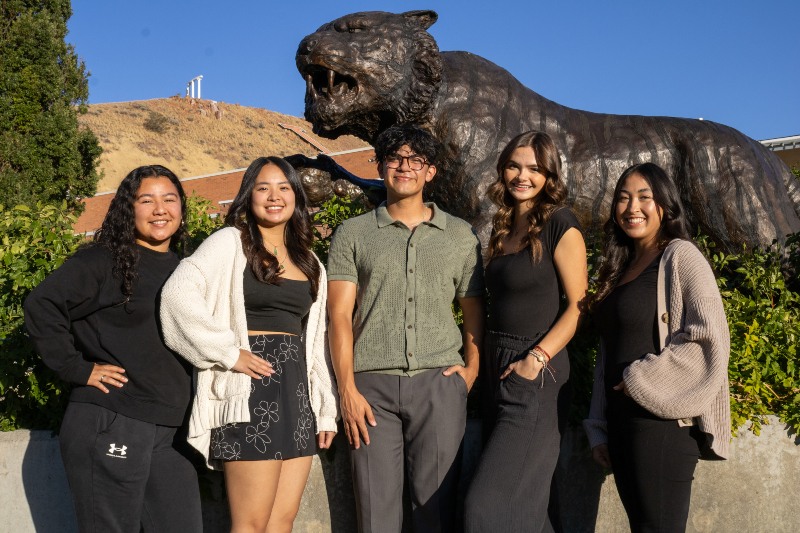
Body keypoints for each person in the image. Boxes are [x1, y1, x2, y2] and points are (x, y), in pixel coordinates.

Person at [159, 156, 338, 533]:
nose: (274, 196)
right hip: (249, 394)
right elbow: (176, 296)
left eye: (284, 188)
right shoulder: (229, 243)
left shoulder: (311, 263)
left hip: (296, 394)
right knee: (251, 525)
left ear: (296, 197)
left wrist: (324, 409)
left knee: (281, 523)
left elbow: (317, 342)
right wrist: (227, 353)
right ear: (248, 197)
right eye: (263, 188)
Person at [24, 165, 202, 532]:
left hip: (171, 430)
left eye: (169, 199)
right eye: (146, 200)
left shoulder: (189, 267)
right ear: (128, 208)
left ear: (182, 209)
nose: (159, 209)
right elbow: (42, 305)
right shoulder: (104, 261)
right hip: (113, 419)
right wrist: (77, 368)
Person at [326, 124, 485, 533]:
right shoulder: (352, 233)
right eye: (395, 157)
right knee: (375, 514)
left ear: (430, 171)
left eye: (416, 159)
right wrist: (347, 390)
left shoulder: (461, 237)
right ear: (380, 166)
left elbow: (473, 310)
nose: (404, 166)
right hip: (370, 389)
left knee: (436, 511)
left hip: (440, 384)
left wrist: (471, 370)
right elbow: (339, 316)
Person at [584, 162, 731, 533]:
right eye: (623, 198)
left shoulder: (681, 256)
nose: (632, 207)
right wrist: (600, 427)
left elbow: (708, 337)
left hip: (662, 423)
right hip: (622, 425)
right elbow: (607, 355)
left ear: (665, 205)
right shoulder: (620, 268)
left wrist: (639, 378)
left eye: (644, 197)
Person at [463, 131, 588, 532]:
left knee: (484, 508)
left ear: (549, 174)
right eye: (515, 165)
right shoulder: (503, 229)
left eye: (535, 168)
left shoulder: (560, 223)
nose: (523, 175)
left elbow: (578, 305)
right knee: (528, 509)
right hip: (498, 368)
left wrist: (535, 360)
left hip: (536, 371)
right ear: (502, 169)